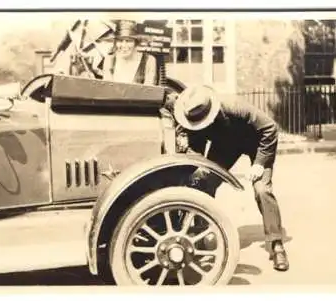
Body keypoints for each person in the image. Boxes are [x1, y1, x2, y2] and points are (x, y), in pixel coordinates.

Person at [172, 85, 290, 271]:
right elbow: (196, 149)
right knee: (203, 183)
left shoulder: (234, 106)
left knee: (262, 190)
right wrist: (193, 166)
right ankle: (200, 236)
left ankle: (276, 245)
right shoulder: (192, 117)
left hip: (256, 143)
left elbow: (270, 129)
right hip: (226, 146)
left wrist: (259, 163)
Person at [102, 20, 157, 85]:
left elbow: (149, 90)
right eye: (120, 40)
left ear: (136, 43)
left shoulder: (149, 60)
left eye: (128, 41)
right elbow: (108, 88)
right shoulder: (110, 59)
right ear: (115, 42)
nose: (124, 45)